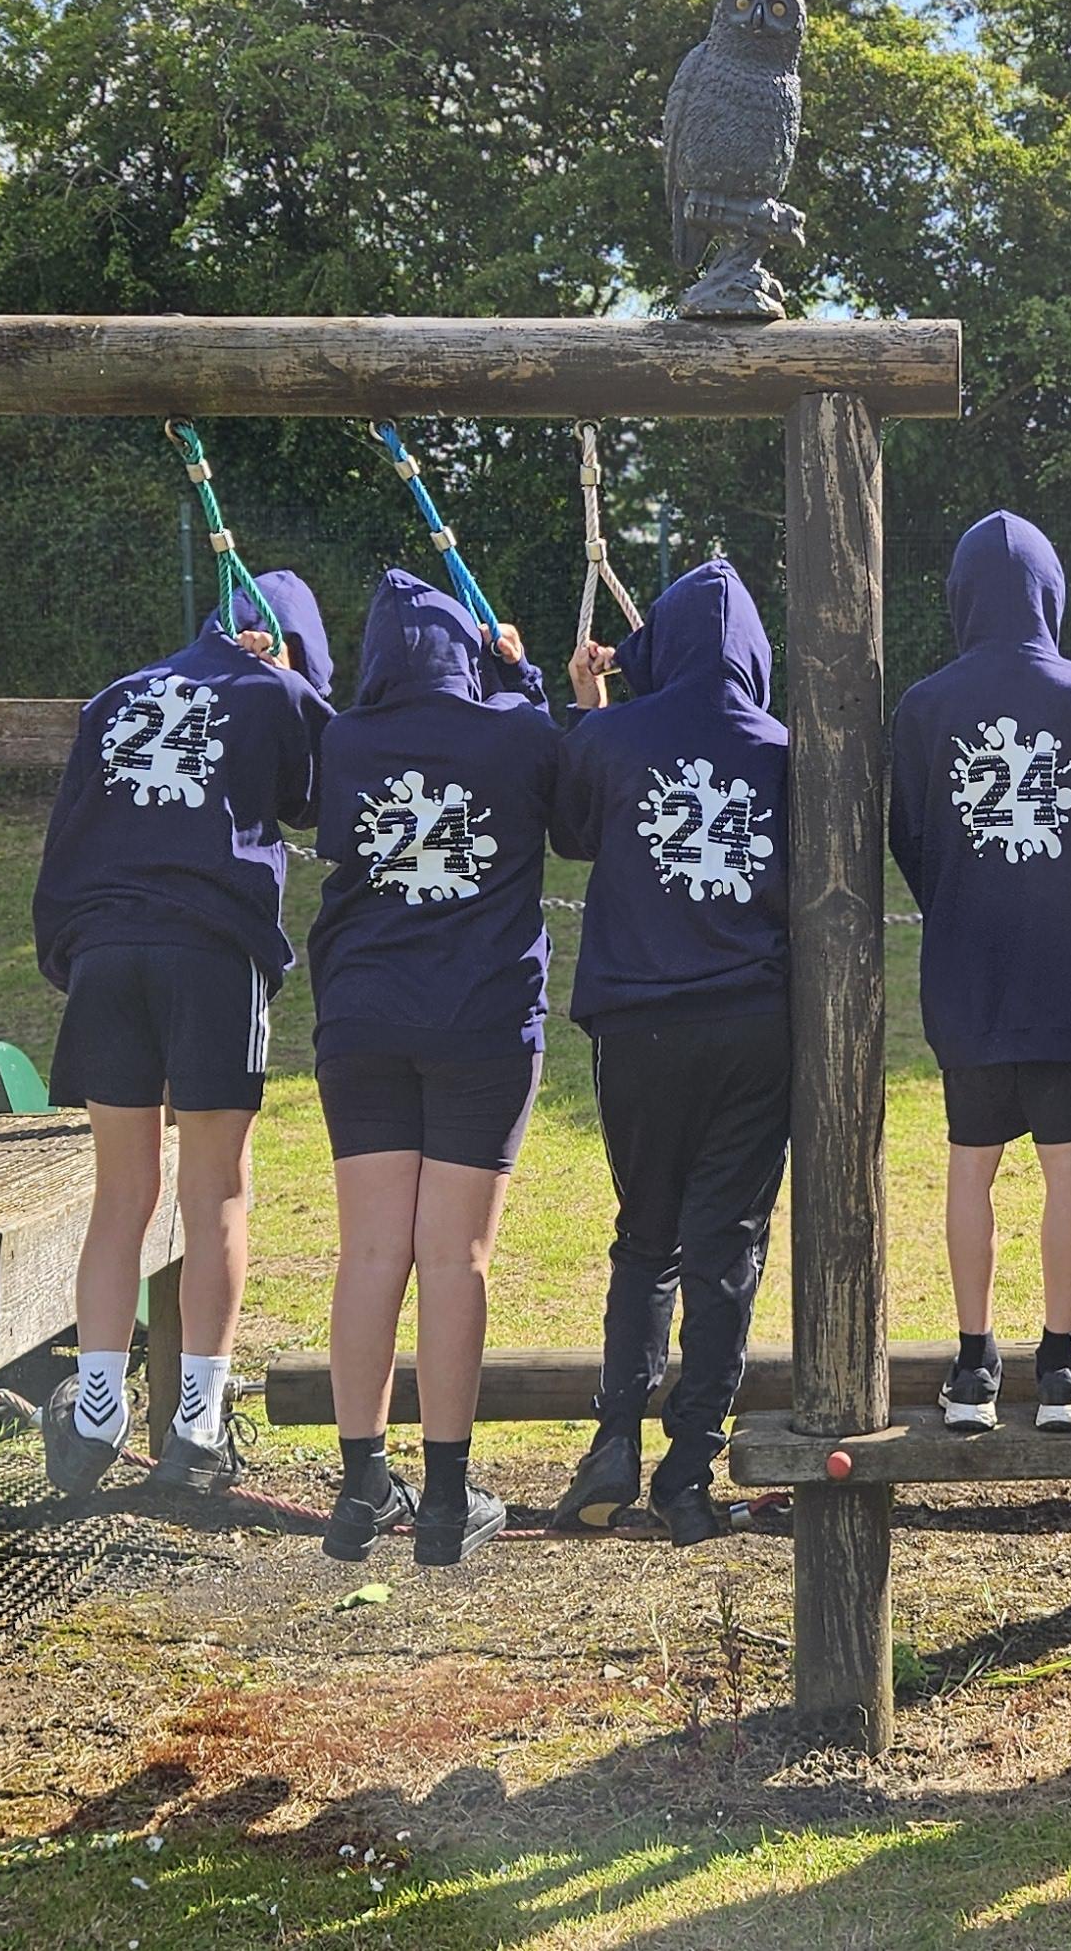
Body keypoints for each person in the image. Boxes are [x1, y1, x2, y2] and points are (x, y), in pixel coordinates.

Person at [30, 571, 336, 1499]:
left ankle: (96, 1409)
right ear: (293, 644)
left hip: (105, 950)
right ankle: (198, 1423)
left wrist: (72, 954)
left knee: (120, 1191)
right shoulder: (277, 691)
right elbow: (324, 794)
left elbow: (68, 831)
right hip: (212, 953)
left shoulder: (116, 696)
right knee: (217, 1192)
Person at [892, 514, 1071, 1437]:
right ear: (1052, 592)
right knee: (1065, 1168)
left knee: (970, 1165)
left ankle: (972, 1365)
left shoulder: (925, 706)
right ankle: (1059, 1364)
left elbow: (911, 836)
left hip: (969, 972)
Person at [311, 573, 556, 1568]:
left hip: (362, 1015)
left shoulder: (342, 740)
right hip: (482, 1018)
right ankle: (448, 1497)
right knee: (455, 1259)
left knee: (371, 1253)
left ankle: (361, 1487)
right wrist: (523, 676)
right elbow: (558, 771)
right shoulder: (517, 731)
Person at [546, 561, 792, 1543]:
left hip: (638, 1026)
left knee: (646, 1237)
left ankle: (613, 1441)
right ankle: (688, 1471)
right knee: (726, 1245)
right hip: (752, 1027)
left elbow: (572, 833)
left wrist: (589, 705)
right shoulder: (784, 749)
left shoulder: (610, 738)